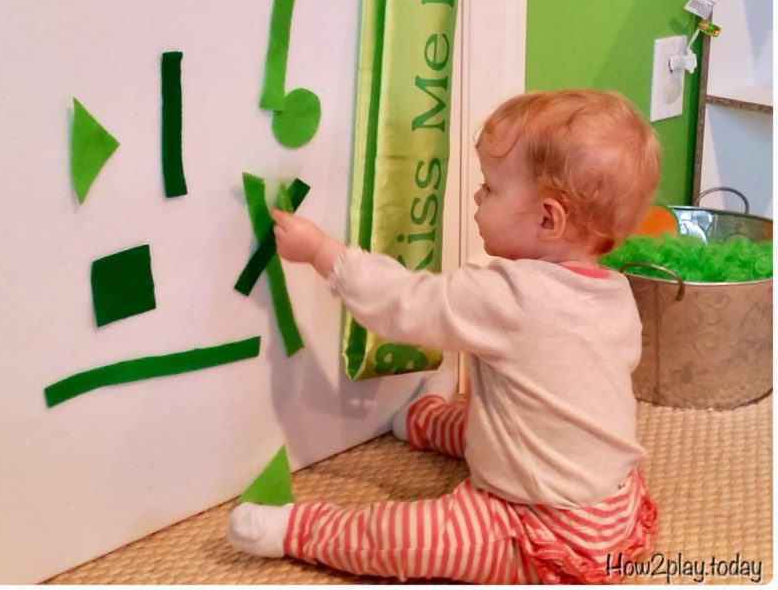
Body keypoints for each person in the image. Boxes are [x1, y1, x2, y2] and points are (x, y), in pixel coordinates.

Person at [228, 89, 661, 583]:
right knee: (504, 417)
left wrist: (324, 252)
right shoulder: (615, 293)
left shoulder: (512, 295)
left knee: (409, 539)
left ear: (547, 219)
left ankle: (298, 531)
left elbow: (405, 304)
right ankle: (423, 419)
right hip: (610, 504)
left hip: (540, 528)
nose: (477, 196)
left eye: (491, 189)